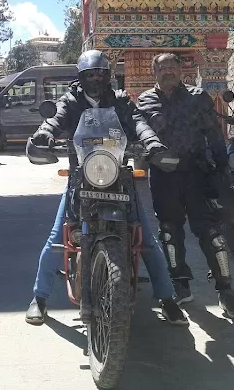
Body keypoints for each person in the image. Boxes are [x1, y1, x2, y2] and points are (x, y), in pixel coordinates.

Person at [25, 50, 189, 327]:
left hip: (118, 174)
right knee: (58, 238)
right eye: (90, 74)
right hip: (82, 174)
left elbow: (138, 122)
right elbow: (58, 118)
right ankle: (39, 298)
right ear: (81, 77)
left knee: (145, 238)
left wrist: (152, 142)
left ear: (108, 76)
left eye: (101, 74)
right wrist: (46, 132)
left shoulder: (121, 99)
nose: (96, 79)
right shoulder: (72, 99)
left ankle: (167, 298)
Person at [136, 52, 234, 320]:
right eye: (162, 68)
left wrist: (223, 168)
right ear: (155, 73)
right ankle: (180, 284)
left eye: (172, 67)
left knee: (211, 232)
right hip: (164, 175)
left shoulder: (198, 97)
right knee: (170, 232)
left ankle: (226, 291)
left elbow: (214, 133)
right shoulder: (144, 101)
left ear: (181, 70)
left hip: (197, 173)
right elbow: (137, 130)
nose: (168, 72)